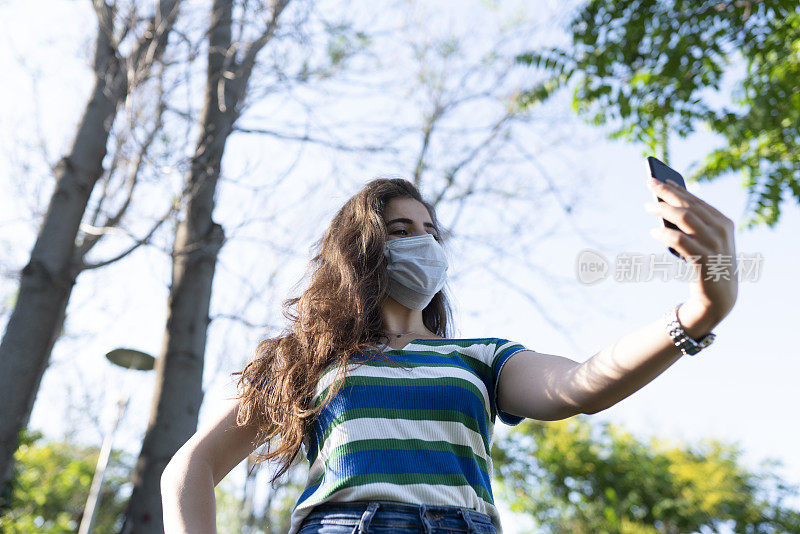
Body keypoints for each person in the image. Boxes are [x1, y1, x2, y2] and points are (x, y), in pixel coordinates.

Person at [161, 177, 738, 533]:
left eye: (431, 230)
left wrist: (698, 311)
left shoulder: (481, 358)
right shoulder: (307, 358)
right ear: (360, 249)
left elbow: (583, 385)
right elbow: (190, 469)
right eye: (401, 228)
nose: (424, 241)